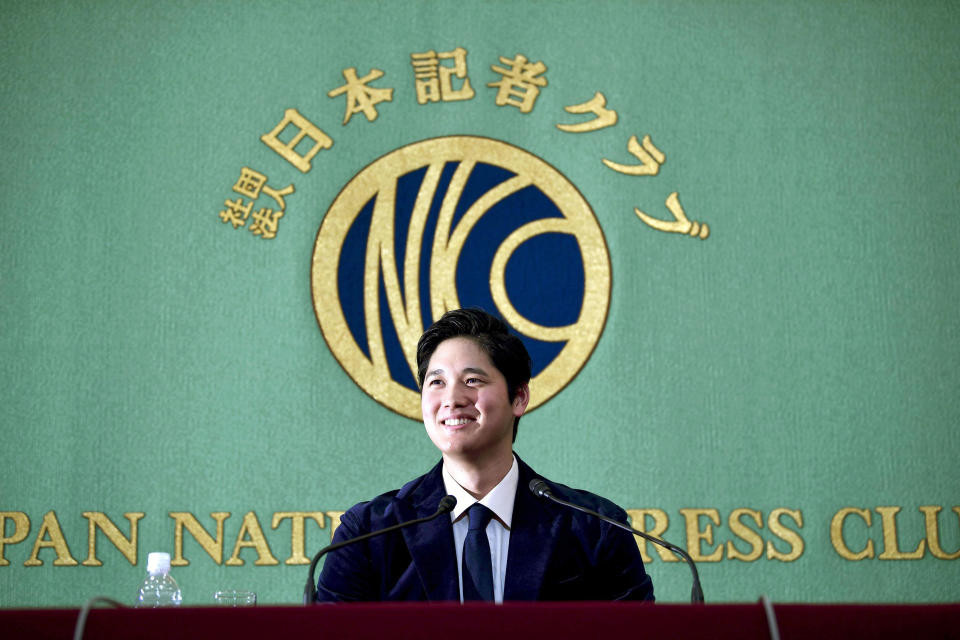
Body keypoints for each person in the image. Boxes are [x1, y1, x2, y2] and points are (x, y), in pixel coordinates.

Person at [315, 308, 654, 602]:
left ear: (519, 397)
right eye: (436, 382)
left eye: (472, 380)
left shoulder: (595, 529)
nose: (452, 399)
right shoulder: (368, 535)